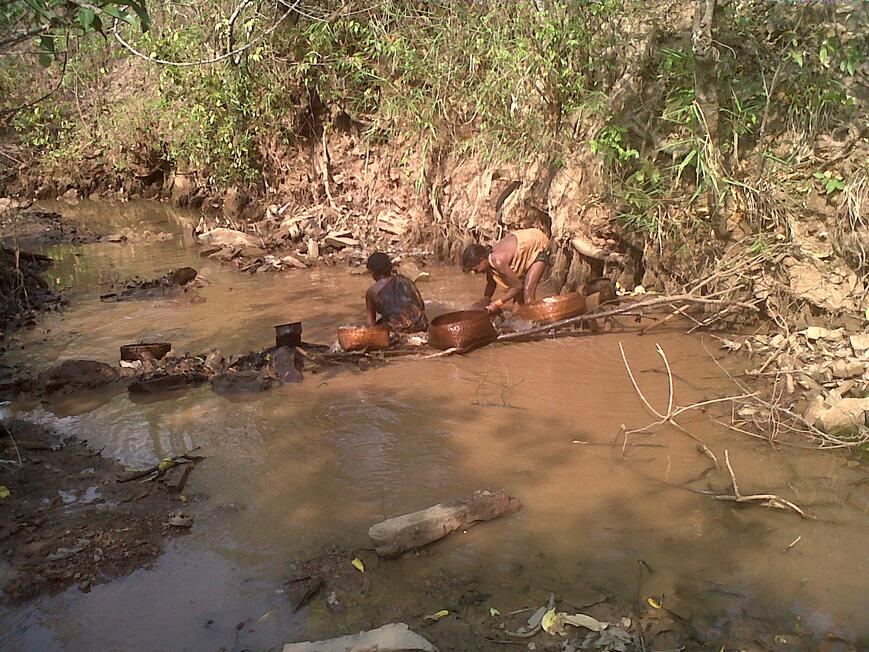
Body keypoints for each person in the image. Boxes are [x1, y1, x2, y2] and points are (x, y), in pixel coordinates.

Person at [460, 227, 550, 313]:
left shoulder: (498, 262)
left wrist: (498, 303)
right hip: (524, 249)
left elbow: (518, 286)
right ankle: (521, 321)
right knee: (516, 306)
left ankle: (535, 320)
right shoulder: (489, 262)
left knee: (528, 290)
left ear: (481, 260)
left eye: (476, 269)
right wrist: (485, 300)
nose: (476, 272)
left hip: (538, 244)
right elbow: (491, 284)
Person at [365, 252, 428, 333]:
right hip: (420, 325)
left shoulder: (372, 291)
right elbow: (421, 306)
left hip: (396, 330)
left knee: (380, 324)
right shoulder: (407, 281)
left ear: (373, 272)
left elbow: (370, 324)